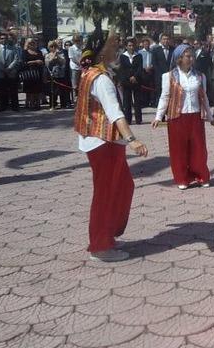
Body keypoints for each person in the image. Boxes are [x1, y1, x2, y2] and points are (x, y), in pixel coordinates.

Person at [74, 28, 148, 262]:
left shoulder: (91, 73)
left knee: (122, 187)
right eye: (112, 44)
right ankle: (101, 245)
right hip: (104, 144)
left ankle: (107, 233)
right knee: (108, 194)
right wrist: (132, 139)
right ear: (101, 49)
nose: (116, 47)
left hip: (98, 141)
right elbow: (116, 113)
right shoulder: (101, 79)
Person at [153, 44, 214, 190]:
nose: (191, 59)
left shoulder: (200, 76)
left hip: (195, 117)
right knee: (178, 150)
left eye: (192, 56)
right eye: (188, 56)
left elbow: (204, 97)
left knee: (199, 149)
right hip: (176, 118)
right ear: (179, 58)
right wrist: (158, 116)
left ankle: (201, 176)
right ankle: (182, 178)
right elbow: (164, 97)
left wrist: (211, 117)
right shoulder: (168, 76)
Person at [0, 32, 21, 112]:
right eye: (2, 38)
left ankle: (15, 106)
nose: (3, 40)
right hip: (0, 73)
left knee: (13, 90)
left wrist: (9, 68)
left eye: (5, 38)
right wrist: (2, 69)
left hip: (10, 72)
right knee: (1, 91)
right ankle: (2, 106)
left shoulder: (13, 48)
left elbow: (16, 59)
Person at [117, 39, 144, 124]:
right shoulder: (123, 56)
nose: (131, 47)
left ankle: (138, 119)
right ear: (126, 46)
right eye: (129, 45)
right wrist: (129, 77)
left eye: (132, 45)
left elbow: (140, 68)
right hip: (127, 81)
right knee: (127, 101)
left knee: (137, 101)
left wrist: (135, 76)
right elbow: (122, 69)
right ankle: (128, 119)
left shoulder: (139, 56)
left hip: (137, 80)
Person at [45, 40, 71, 110]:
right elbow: (48, 64)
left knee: (62, 90)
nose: (53, 47)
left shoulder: (61, 54)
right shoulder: (47, 55)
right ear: (49, 47)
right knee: (53, 91)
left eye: (54, 46)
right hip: (52, 75)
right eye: (51, 46)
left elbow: (63, 62)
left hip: (61, 74)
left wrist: (58, 56)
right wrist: (53, 56)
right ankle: (52, 105)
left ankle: (63, 104)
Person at [21, 39, 45, 110]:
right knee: (30, 90)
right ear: (28, 44)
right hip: (29, 73)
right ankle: (30, 104)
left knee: (37, 90)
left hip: (38, 73)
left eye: (33, 43)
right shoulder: (25, 52)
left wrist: (40, 62)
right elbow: (24, 62)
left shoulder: (39, 52)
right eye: (30, 43)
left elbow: (42, 61)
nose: (32, 44)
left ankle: (37, 104)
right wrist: (35, 61)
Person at [150, 33, 172, 107]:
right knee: (160, 94)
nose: (166, 41)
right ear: (161, 40)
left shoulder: (173, 49)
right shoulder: (156, 50)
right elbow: (154, 63)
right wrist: (160, 74)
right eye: (164, 39)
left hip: (171, 75)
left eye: (167, 39)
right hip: (160, 76)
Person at [68, 34, 83, 100]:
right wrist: (80, 64)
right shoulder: (71, 48)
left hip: (82, 68)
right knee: (75, 84)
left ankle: (81, 97)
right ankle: (75, 98)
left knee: (81, 83)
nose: (78, 42)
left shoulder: (82, 48)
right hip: (75, 68)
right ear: (73, 41)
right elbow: (72, 58)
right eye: (76, 40)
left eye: (79, 40)